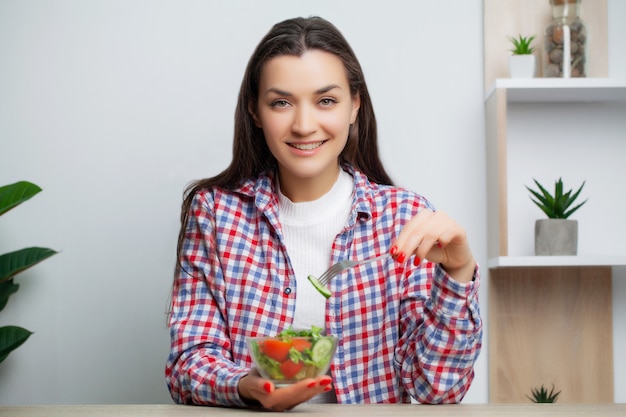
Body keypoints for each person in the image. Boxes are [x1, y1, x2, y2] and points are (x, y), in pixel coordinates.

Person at [165, 16, 482, 411]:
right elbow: (189, 364)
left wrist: (458, 273)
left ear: (355, 106)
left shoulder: (406, 218)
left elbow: (438, 390)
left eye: (326, 101)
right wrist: (249, 386)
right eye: (281, 102)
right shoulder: (215, 214)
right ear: (254, 111)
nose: (303, 124)